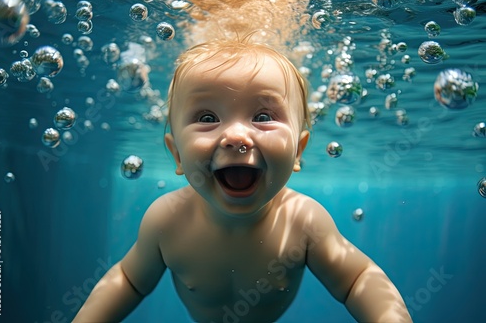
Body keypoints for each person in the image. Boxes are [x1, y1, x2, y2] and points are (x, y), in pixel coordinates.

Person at [74, 37, 412, 323]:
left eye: (263, 116)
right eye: (207, 117)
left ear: (298, 150)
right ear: (177, 155)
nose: (236, 135)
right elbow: (128, 280)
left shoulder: (304, 220)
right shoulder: (166, 220)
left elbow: (357, 279)